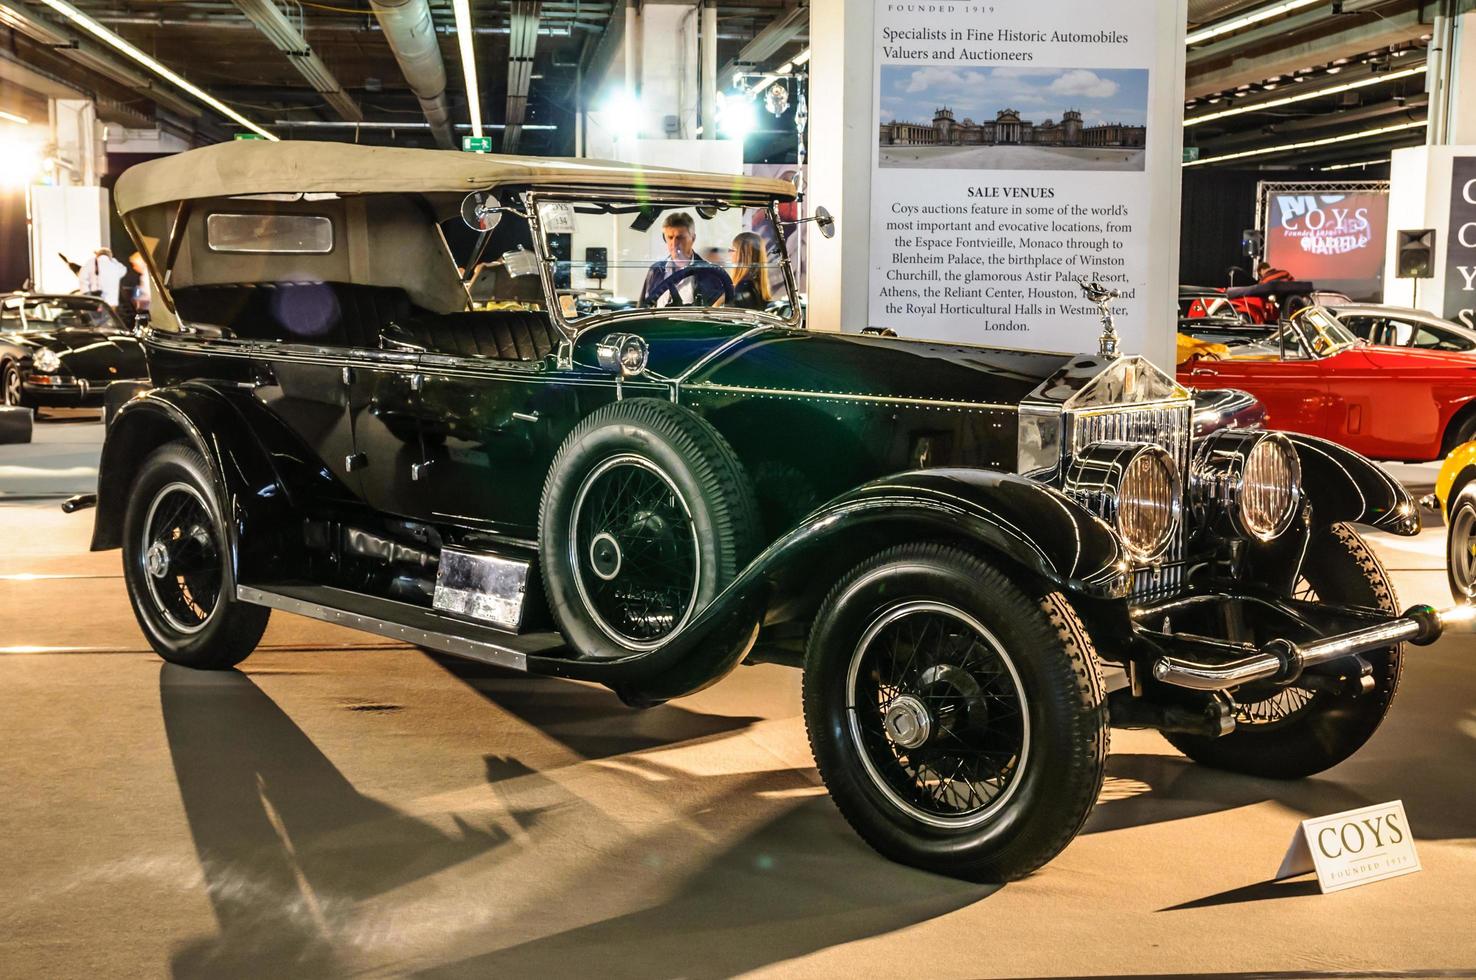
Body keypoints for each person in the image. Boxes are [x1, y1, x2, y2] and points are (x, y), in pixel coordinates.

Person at [640, 212, 724, 307]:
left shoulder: (709, 273)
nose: (674, 243)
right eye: (670, 237)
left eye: (680, 238)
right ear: (665, 238)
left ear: (693, 238)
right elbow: (643, 307)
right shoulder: (656, 270)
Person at [727, 231, 772, 311]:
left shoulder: (742, 290)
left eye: (732, 250)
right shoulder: (756, 285)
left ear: (741, 255)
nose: (730, 254)